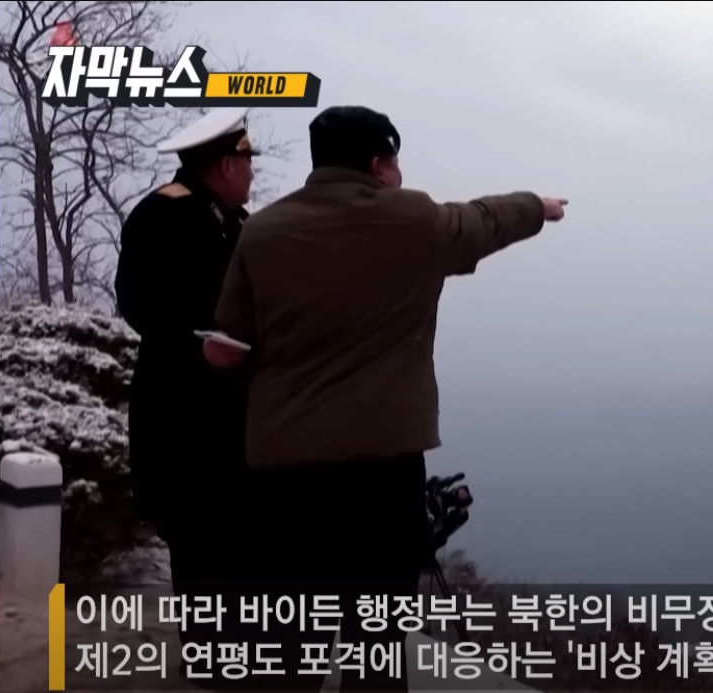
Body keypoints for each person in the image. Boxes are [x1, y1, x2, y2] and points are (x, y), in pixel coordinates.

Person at [206, 105, 566, 692]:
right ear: (379, 165)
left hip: (284, 469)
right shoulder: (414, 220)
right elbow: (483, 219)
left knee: (291, 631)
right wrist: (537, 207)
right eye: (395, 163)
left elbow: (230, 338)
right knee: (376, 637)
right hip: (382, 469)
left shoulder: (262, 229)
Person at [113, 107, 257, 687]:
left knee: (236, 536)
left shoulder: (238, 223)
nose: (251, 173)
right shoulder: (162, 215)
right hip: (180, 406)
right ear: (225, 166)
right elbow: (137, 303)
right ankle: (209, 658)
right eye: (247, 163)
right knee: (196, 535)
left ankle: (237, 652)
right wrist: (197, 346)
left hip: (235, 409)